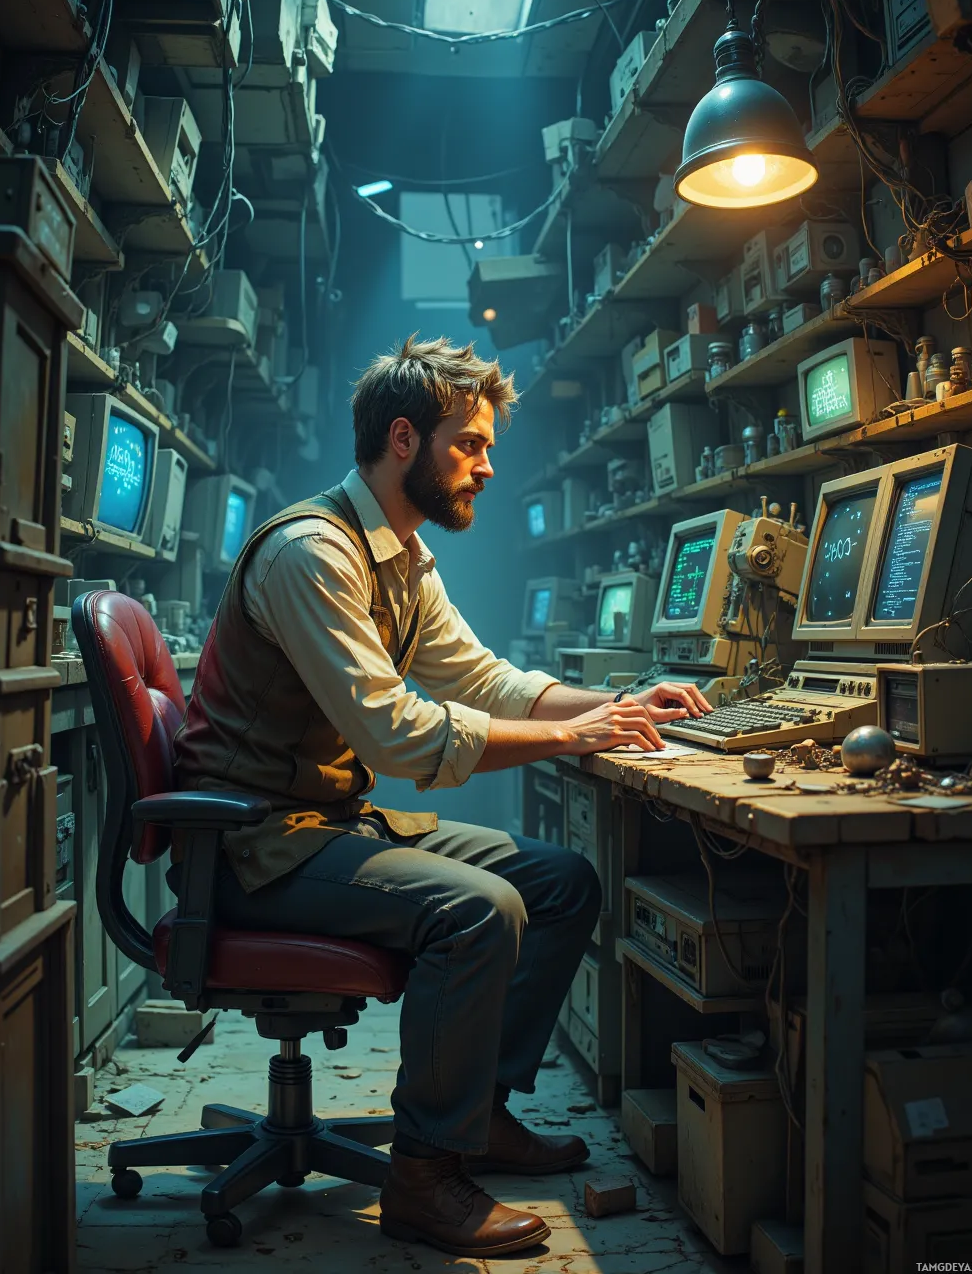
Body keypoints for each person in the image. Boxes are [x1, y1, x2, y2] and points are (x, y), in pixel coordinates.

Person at [173, 335, 711, 1258]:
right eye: (469, 444)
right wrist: (575, 736)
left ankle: (478, 1118)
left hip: (322, 828)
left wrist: (617, 703)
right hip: (254, 848)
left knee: (561, 883)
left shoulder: (404, 559)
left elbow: (485, 681)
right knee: (479, 910)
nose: (487, 466)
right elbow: (399, 735)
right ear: (402, 439)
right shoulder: (312, 554)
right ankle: (423, 1179)